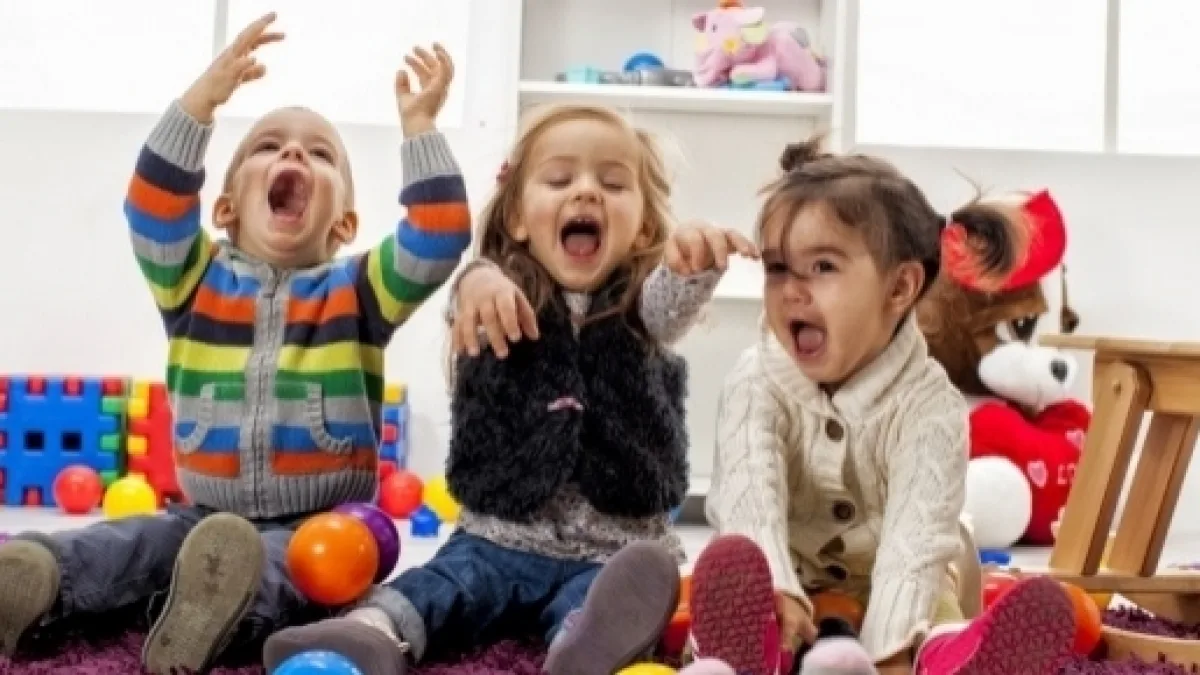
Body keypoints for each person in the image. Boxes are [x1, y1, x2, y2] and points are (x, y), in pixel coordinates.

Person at [0, 13, 472, 674]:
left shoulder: (360, 289)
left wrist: (420, 127)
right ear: (224, 209)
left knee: (304, 567)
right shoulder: (191, 278)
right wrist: (201, 103)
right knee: (135, 542)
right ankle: (41, 573)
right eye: (268, 146)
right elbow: (152, 205)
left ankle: (214, 609)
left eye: (319, 154)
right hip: (202, 514)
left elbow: (438, 235)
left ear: (344, 223)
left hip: (324, 521)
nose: (293, 157)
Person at [263, 102, 759, 675]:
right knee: (437, 587)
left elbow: (670, 305)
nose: (586, 191)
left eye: (612, 183)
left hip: (611, 553)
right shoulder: (498, 292)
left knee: (610, 605)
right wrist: (477, 280)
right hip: (497, 541)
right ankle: (369, 633)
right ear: (520, 218)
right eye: (560, 179)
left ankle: (583, 648)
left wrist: (691, 263)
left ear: (644, 226)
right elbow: (471, 303)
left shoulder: (640, 307)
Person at [690, 138, 1078, 675]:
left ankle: (948, 657)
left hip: (899, 582)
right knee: (742, 570)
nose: (791, 291)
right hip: (792, 577)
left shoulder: (930, 405)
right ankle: (756, 650)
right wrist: (776, 590)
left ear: (900, 288)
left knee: (934, 610)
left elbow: (914, 545)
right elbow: (748, 497)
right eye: (778, 268)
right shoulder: (756, 381)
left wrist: (887, 653)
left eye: (822, 266)